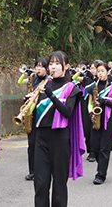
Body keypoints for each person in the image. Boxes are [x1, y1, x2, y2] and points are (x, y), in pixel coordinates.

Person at [34, 51, 84, 207]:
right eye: (51, 63)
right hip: (41, 136)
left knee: (59, 186)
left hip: (60, 138)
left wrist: (51, 95)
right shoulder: (42, 85)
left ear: (66, 66)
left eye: (57, 63)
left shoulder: (72, 88)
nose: (52, 67)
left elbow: (67, 112)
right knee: (40, 184)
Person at [86, 61, 112, 185]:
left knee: (104, 148)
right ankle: (100, 165)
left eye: (102, 71)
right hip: (95, 119)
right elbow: (89, 103)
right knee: (94, 146)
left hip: (107, 119)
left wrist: (104, 102)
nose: (100, 73)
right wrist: (90, 112)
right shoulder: (92, 87)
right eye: (98, 71)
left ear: (107, 72)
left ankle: (101, 174)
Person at [18, 58, 49, 181]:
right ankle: (32, 171)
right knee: (31, 145)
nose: (38, 69)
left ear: (47, 68)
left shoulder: (49, 81)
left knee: (41, 146)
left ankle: (42, 170)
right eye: (37, 66)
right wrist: (27, 99)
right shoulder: (32, 78)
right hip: (32, 114)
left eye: (41, 66)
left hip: (43, 115)